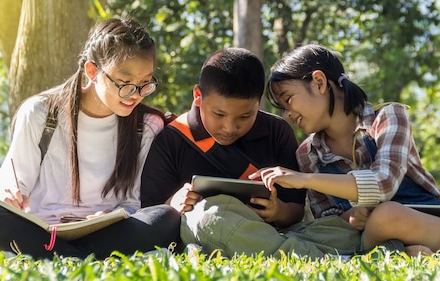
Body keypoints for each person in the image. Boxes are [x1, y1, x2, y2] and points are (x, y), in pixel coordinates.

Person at [253, 43, 440, 257]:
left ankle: (426, 249)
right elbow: (327, 220)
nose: (288, 114)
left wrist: (303, 179)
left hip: (436, 219)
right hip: (379, 232)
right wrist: (349, 217)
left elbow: (384, 183)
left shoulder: (388, 117)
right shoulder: (307, 154)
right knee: (388, 215)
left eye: (289, 99)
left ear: (318, 82)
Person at [0, 17, 180, 259]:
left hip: (108, 232)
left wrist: (109, 218)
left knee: (165, 218)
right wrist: (9, 197)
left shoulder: (146, 126)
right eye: (125, 83)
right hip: (42, 229)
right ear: (92, 71)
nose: (135, 95)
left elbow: (134, 202)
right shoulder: (41, 113)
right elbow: (13, 185)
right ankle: (79, 257)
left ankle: (57, 256)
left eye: (145, 84)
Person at [140, 48, 370, 258]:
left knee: (340, 226)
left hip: (271, 233)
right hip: (210, 226)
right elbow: (152, 214)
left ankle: (291, 251)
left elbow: (296, 212)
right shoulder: (172, 139)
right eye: (219, 114)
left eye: (244, 117)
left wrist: (277, 211)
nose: (230, 128)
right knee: (209, 215)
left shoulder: (277, 131)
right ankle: (313, 257)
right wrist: (175, 202)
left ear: (258, 104)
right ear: (198, 97)